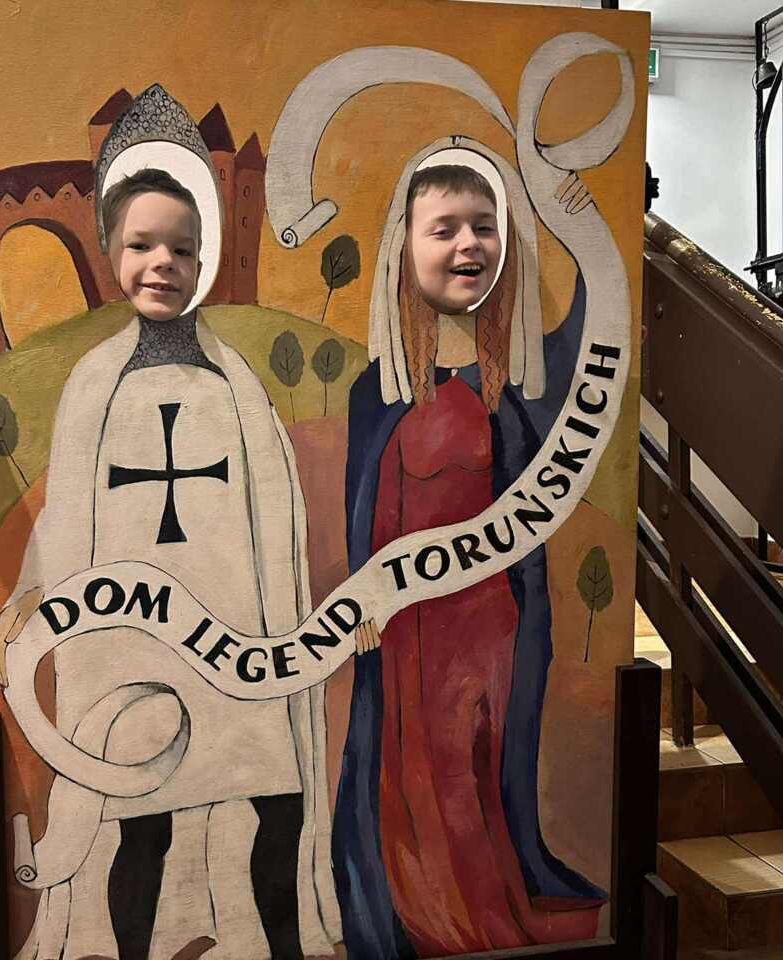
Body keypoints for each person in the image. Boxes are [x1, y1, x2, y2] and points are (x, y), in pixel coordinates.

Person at [0, 85, 340, 960]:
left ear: (203, 257)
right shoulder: (93, 385)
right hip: (134, 647)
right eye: (142, 245)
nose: (162, 264)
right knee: (143, 821)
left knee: (278, 804)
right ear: (111, 252)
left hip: (237, 637)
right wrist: (33, 590)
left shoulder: (236, 381)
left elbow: (276, 519)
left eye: (182, 248)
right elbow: (66, 510)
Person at [333, 161, 605, 958]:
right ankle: (418, 928)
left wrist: (590, 236)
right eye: (444, 228)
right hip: (407, 638)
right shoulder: (374, 394)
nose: (468, 245)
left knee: (473, 781)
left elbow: (593, 343)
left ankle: (479, 928)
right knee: (413, 785)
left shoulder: (519, 388)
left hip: (490, 634)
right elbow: (365, 514)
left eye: (484, 227)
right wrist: (362, 604)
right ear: (405, 247)